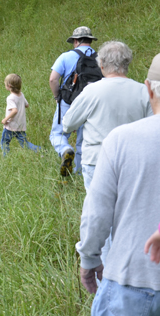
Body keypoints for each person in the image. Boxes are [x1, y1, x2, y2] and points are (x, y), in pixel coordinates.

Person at [76, 53, 160, 313]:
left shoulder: (120, 139)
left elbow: (97, 210)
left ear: (149, 89)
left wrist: (89, 257)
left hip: (131, 277)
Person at [63, 41, 152, 191]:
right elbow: (153, 129)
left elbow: (67, 124)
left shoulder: (91, 91)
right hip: (132, 161)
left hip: (97, 160)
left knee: (97, 206)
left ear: (101, 64)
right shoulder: (144, 92)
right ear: (127, 63)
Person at [49, 26, 97, 176]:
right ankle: (80, 172)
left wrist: (57, 97)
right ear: (90, 40)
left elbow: (53, 79)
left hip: (69, 101)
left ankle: (65, 149)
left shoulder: (66, 56)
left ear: (76, 41)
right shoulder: (100, 57)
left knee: (58, 134)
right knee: (83, 139)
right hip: (92, 102)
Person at [0, 74, 40, 155]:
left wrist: (5, 119)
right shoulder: (21, 95)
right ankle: (40, 150)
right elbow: (27, 105)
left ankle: (6, 157)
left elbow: (14, 110)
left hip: (10, 126)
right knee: (25, 143)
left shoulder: (10, 98)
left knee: (4, 143)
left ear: (9, 86)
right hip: (20, 126)